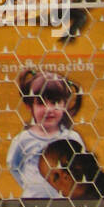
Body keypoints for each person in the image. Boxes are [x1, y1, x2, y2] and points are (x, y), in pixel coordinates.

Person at [6, 70, 85, 198]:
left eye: (55, 102)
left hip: (65, 203)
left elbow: (82, 167)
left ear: (65, 104)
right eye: (41, 103)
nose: (49, 109)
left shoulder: (72, 138)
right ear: (29, 105)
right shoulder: (22, 140)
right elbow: (14, 166)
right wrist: (31, 186)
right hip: (31, 202)